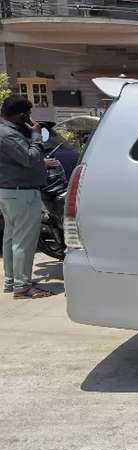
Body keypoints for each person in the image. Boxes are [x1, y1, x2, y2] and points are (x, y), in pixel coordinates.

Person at [0, 96, 57, 299]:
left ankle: (12, 281)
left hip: (12, 192)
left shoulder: (6, 132)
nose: (31, 117)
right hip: (21, 193)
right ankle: (22, 287)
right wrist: (36, 135)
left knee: (11, 239)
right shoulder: (8, 134)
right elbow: (30, 159)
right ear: (22, 115)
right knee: (24, 241)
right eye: (28, 113)